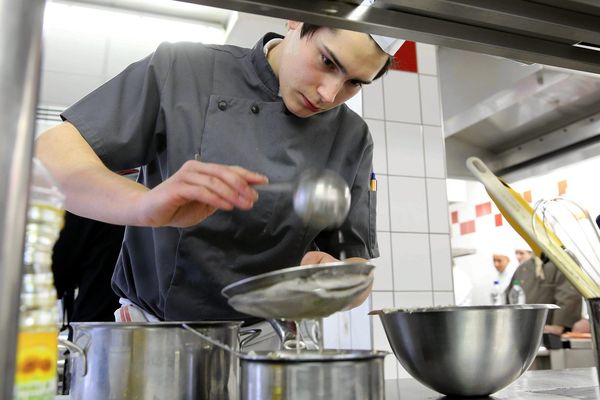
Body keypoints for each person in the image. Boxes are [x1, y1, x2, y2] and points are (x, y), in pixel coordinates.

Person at [35, 20, 402, 342]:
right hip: (151, 340)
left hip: (268, 344)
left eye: (354, 82)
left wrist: (333, 279)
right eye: (327, 61)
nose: (329, 94)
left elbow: (353, 269)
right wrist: (144, 205)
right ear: (296, 19)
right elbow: (50, 155)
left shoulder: (352, 135)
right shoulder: (184, 69)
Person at [508, 252, 582, 335]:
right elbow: (510, 297)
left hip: (553, 332)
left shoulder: (563, 260)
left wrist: (559, 325)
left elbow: (569, 294)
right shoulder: (524, 267)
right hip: (526, 330)